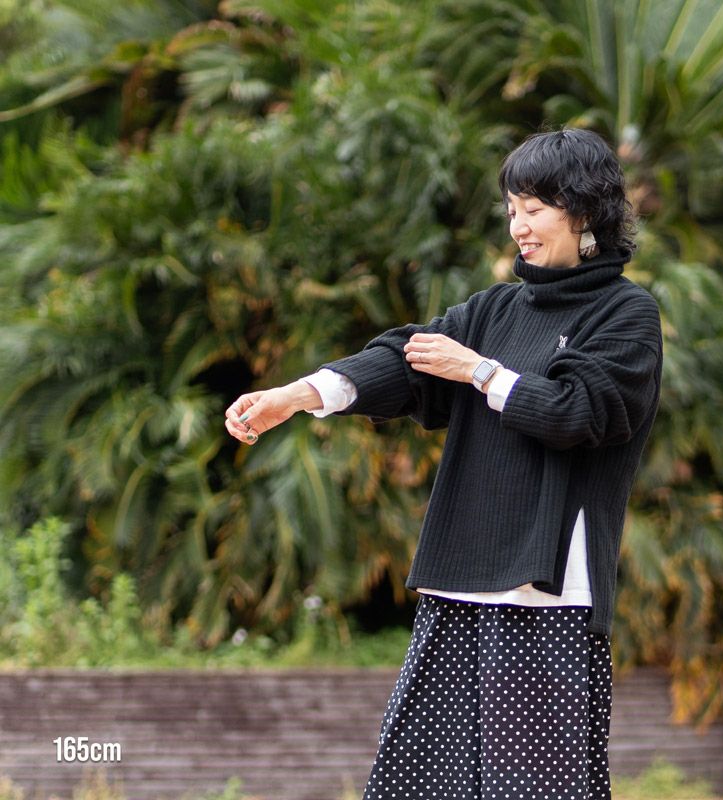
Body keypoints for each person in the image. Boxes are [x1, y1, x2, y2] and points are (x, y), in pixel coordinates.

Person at [225, 128, 663, 800]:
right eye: (511, 210)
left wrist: (481, 372)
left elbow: (579, 413)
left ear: (585, 212)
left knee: (537, 788)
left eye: (534, 209)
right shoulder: (494, 309)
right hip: (459, 584)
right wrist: (299, 395)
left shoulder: (626, 314)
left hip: (547, 595)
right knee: (417, 782)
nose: (518, 226)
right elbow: (405, 359)